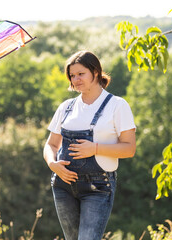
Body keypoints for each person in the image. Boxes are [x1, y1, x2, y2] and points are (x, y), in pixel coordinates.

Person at [43, 51, 136, 240]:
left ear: (95, 72)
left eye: (81, 74)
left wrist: (95, 148)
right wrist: (52, 165)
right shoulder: (66, 107)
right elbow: (51, 145)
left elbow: (129, 148)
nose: (75, 79)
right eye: (72, 75)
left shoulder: (117, 105)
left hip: (98, 187)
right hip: (63, 185)